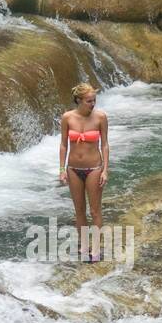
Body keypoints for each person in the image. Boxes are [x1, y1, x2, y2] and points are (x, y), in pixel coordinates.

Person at [58, 82, 109, 262]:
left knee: (95, 210)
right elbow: (64, 144)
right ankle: (83, 246)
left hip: (94, 168)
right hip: (73, 169)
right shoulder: (67, 118)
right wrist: (61, 169)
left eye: (94, 100)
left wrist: (105, 170)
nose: (92, 104)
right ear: (78, 100)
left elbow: (104, 144)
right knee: (79, 210)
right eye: (88, 101)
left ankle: (95, 249)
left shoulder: (101, 117)